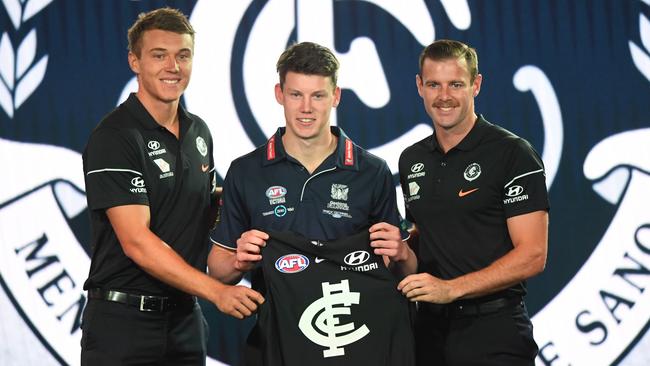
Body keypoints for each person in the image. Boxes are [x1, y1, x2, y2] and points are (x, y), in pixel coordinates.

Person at [208, 41, 417, 365]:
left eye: (318, 95)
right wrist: (240, 261)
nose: (306, 108)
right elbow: (218, 272)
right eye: (296, 95)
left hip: (359, 343)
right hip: (280, 344)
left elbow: (403, 271)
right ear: (279, 94)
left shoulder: (371, 171)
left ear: (335, 96)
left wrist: (402, 253)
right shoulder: (245, 171)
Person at [81, 8, 264, 365]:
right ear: (134, 61)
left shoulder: (199, 132)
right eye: (159, 55)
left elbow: (199, 203)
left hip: (184, 320)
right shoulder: (115, 137)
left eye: (183, 55)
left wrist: (250, 200)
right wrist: (217, 292)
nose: (173, 67)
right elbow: (136, 242)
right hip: (123, 324)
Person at [397, 39, 549, 365]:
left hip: (495, 331)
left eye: (456, 84)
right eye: (434, 85)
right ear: (419, 87)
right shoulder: (411, 159)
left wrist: (451, 289)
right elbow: (424, 238)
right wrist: (401, 250)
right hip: (429, 331)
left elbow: (533, 255)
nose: (444, 96)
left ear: (476, 85)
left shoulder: (512, 153)